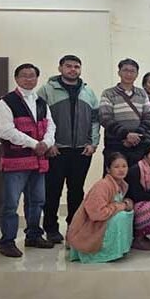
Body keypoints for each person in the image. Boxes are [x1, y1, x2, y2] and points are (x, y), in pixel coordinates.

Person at [0, 63, 56, 257]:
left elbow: (51, 126)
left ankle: (33, 235)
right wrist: (33, 143)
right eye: (24, 76)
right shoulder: (5, 102)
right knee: (11, 204)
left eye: (32, 76)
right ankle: (7, 241)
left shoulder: (41, 102)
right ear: (17, 78)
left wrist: (46, 143)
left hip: (38, 160)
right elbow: (6, 130)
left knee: (37, 200)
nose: (29, 79)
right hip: (16, 162)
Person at [37, 55, 100, 244]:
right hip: (56, 151)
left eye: (76, 66)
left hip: (82, 150)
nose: (73, 70)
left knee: (76, 191)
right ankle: (51, 228)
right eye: (68, 66)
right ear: (60, 68)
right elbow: (39, 121)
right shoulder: (46, 91)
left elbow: (96, 121)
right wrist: (49, 144)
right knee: (52, 191)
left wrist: (93, 143)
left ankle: (75, 227)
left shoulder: (88, 92)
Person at [67, 152, 134, 263]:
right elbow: (97, 214)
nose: (121, 170)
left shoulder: (122, 184)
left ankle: (117, 250)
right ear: (108, 169)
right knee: (121, 216)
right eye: (116, 167)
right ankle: (105, 251)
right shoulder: (102, 185)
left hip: (103, 221)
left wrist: (125, 204)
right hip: (91, 227)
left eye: (124, 166)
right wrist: (120, 206)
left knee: (127, 213)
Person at [99, 58, 150, 166]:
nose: (128, 74)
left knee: (137, 179)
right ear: (119, 72)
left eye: (132, 71)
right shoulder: (108, 93)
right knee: (114, 179)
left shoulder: (142, 94)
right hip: (115, 145)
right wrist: (126, 135)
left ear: (137, 74)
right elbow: (105, 118)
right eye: (125, 70)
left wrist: (137, 135)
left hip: (138, 145)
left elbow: (149, 116)